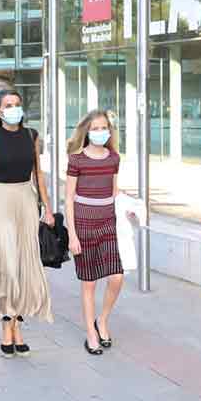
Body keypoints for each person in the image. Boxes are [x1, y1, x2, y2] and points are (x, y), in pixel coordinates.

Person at [0, 90, 54, 355]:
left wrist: (48, 209)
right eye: (8, 105)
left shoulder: (31, 136)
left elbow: (38, 174)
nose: (14, 108)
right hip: (1, 201)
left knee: (25, 266)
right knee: (8, 267)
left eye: (17, 104)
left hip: (26, 200)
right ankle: (6, 324)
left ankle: (18, 325)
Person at [65, 109, 123, 356]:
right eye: (96, 128)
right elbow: (68, 198)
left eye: (104, 128)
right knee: (89, 283)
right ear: (86, 132)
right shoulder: (76, 159)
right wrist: (72, 235)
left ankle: (103, 320)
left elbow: (115, 191)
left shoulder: (113, 158)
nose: (101, 132)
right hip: (84, 224)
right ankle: (91, 332)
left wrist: (128, 208)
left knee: (117, 277)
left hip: (108, 223)